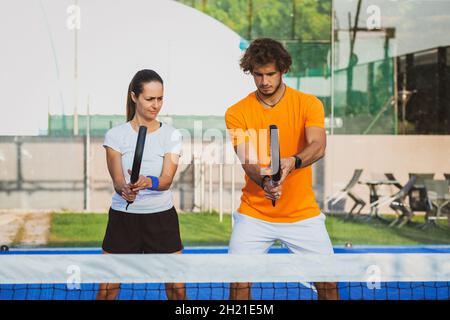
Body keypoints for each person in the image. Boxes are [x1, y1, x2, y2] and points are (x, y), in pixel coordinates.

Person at [225, 38, 339, 300]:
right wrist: (266, 181)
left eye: (270, 74)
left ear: (283, 70)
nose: (264, 81)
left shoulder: (309, 104)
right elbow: (247, 160)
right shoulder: (236, 112)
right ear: (250, 72)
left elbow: (318, 145)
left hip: (302, 214)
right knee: (238, 286)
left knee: (328, 285)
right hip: (254, 215)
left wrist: (293, 161)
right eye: (258, 74)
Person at [96, 69, 185, 300]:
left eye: (160, 99)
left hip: (161, 218)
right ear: (134, 96)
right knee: (108, 288)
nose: (156, 105)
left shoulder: (173, 136)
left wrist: (148, 182)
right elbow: (117, 181)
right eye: (149, 99)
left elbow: (166, 180)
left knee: (176, 288)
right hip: (123, 219)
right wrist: (124, 189)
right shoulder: (115, 136)